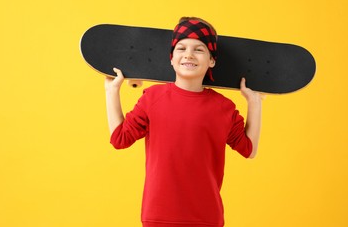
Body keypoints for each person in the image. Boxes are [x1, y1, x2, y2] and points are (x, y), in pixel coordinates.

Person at [105, 17, 263, 227]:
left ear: (211, 60)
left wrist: (255, 103)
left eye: (199, 49)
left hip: (206, 217)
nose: (189, 54)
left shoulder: (223, 108)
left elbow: (248, 149)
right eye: (181, 48)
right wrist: (111, 91)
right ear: (171, 58)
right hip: (158, 216)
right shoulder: (152, 98)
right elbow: (120, 139)